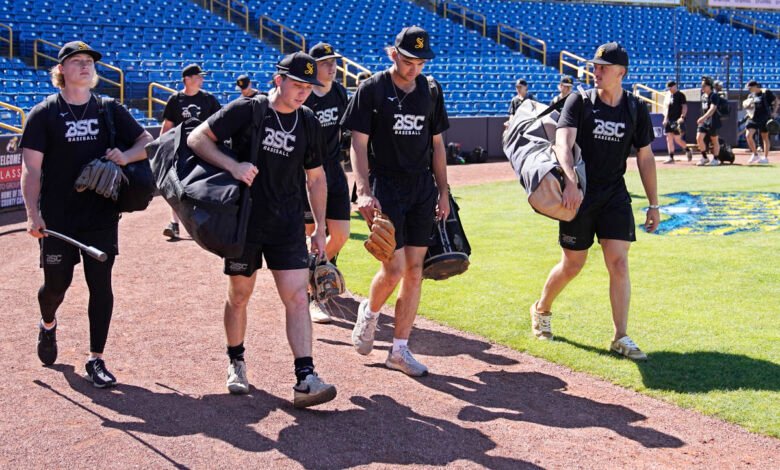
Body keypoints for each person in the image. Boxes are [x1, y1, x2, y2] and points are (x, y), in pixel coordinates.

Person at [187, 52, 337, 408]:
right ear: (278, 80)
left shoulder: (309, 122)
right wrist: (233, 165)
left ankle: (305, 377)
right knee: (239, 295)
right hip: (245, 222)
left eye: (308, 87)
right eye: (297, 85)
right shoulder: (248, 110)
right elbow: (197, 139)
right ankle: (236, 361)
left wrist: (318, 226)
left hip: (286, 222)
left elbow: (316, 178)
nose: (303, 92)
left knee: (298, 297)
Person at [20, 41, 153, 387]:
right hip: (58, 219)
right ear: (61, 70)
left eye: (90, 62)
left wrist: (127, 156)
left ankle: (96, 359)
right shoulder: (43, 114)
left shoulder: (108, 108)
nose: (86, 66)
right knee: (55, 286)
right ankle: (47, 323)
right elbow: (31, 171)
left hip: (100, 215)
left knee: (101, 285)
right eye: (77, 61)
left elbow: (146, 142)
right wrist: (33, 215)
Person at [530, 42, 659, 361]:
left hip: (614, 194)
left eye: (603, 67)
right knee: (573, 264)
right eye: (595, 66)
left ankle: (620, 336)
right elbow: (563, 143)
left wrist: (654, 204)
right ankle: (541, 309)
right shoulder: (580, 100)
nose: (596, 71)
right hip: (580, 194)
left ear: (621, 73)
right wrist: (571, 181)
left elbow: (645, 156)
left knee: (619, 262)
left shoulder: (634, 108)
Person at [341, 25, 450, 377]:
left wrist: (444, 191)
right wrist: (363, 189)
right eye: (408, 60)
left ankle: (399, 350)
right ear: (393, 55)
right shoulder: (372, 88)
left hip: (421, 188)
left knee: (416, 271)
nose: (414, 68)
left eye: (420, 62)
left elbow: (437, 145)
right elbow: (357, 143)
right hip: (386, 185)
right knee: (393, 268)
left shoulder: (431, 91)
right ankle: (370, 313)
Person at [303, 42, 351, 323]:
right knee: (312, 234)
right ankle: (312, 296)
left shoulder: (339, 92)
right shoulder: (305, 95)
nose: (332, 67)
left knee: (341, 235)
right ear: (313, 66)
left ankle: (313, 277)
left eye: (334, 62)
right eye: (325, 63)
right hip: (309, 173)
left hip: (334, 170)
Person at [160, 64, 222, 238]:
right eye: (198, 76)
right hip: (181, 150)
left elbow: (219, 123)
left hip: (205, 149)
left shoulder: (209, 99)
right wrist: (164, 148)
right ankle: (174, 224)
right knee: (177, 186)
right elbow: (168, 126)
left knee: (206, 186)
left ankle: (205, 223)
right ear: (187, 79)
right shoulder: (175, 100)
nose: (201, 79)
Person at [662, 80, 692, 164]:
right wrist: (665, 118)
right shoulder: (668, 96)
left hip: (677, 120)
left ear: (674, 86)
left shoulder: (680, 95)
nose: (669, 90)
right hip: (669, 119)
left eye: (670, 87)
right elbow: (666, 108)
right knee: (669, 138)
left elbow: (684, 107)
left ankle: (687, 150)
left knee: (677, 139)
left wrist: (682, 117)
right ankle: (671, 156)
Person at [744, 80, 774, 165]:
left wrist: (774, 112)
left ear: (755, 86)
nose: (749, 89)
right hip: (753, 117)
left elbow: (776, 101)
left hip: (764, 117)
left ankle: (765, 157)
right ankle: (755, 154)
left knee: (765, 137)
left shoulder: (765, 92)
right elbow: (749, 107)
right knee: (748, 135)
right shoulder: (751, 95)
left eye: (750, 88)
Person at [695, 76, 722, 166]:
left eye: (704, 86)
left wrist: (703, 117)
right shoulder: (703, 96)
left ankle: (715, 158)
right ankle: (704, 157)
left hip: (712, 120)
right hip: (704, 121)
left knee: (714, 140)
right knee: (699, 138)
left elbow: (712, 108)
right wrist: (703, 118)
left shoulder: (714, 96)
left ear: (709, 86)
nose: (702, 87)